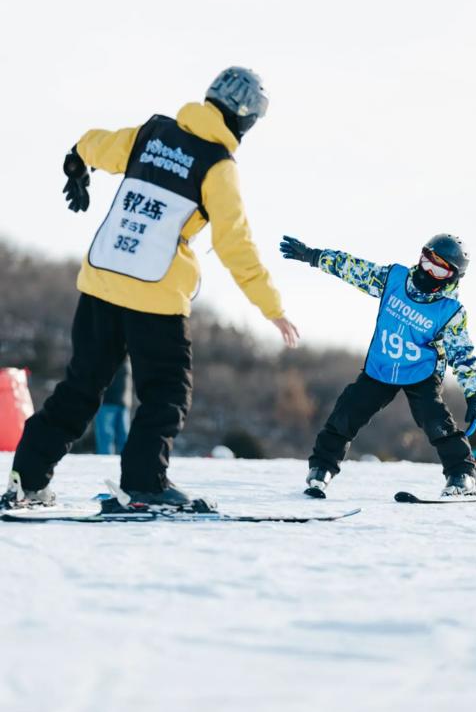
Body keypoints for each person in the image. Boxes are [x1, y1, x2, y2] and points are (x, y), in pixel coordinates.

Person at [1, 67, 299, 510]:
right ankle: (144, 484)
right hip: (155, 295)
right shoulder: (217, 165)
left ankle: (26, 479)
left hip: (101, 281)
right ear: (245, 119)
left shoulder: (154, 132)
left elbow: (95, 144)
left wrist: (76, 161)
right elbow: (235, 244)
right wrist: (271, 307)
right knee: (166, 393)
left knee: (80, 390)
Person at [280, 233, 476, 498]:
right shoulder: (394, 280)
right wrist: (314, 256)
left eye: (439, 269)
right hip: (381, 367)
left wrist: (473, 393)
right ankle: (321, 469)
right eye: (427, 261)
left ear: (452, 277)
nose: (428, 270)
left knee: (436, 422)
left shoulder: (450, 311)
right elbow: (353, 268)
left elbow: (463, 354)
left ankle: (462, 474)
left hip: (420, 373)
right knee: (347, 412)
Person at [94, 358, 132, 454]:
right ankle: (106, 465)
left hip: (123, 404)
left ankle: (128, 464)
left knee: (123, 437)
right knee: (106, 437)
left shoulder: (128, 359)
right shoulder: (104, 352)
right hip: (106, 402)